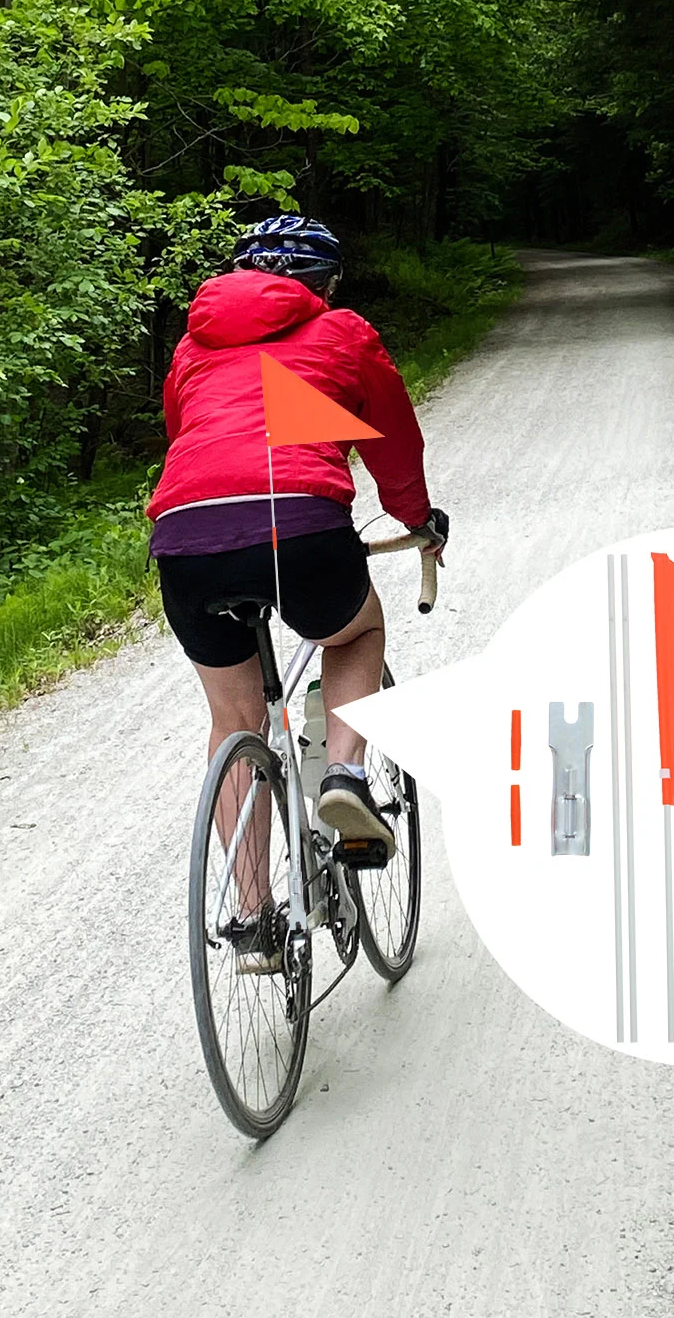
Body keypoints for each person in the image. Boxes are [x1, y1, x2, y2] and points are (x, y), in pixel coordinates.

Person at [148, 215, 447, 964]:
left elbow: (187, 435)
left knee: (233, 718)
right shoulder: (342, 332)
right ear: (325, 285)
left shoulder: (193, 344)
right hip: (301, 524)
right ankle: (344, 775)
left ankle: (251, 919)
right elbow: (393, 439)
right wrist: (416, 520)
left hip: (186, 536)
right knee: (355, 632)